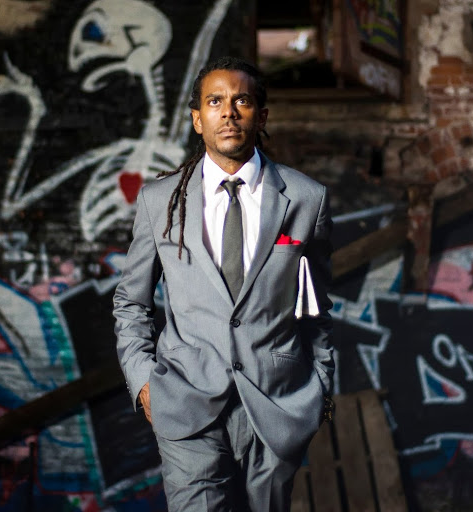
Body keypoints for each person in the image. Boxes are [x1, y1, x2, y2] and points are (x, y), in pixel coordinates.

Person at [113, 56, 334, 512]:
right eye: (215, 102)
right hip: (185, 401)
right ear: (198, 119)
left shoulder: (306, 199)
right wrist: (143, 382)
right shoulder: (160, 201)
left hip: (277, 404)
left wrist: (321, 385)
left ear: (261, 116)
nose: (228, 112)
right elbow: (131, 302)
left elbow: (317, 307)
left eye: (242, 101)